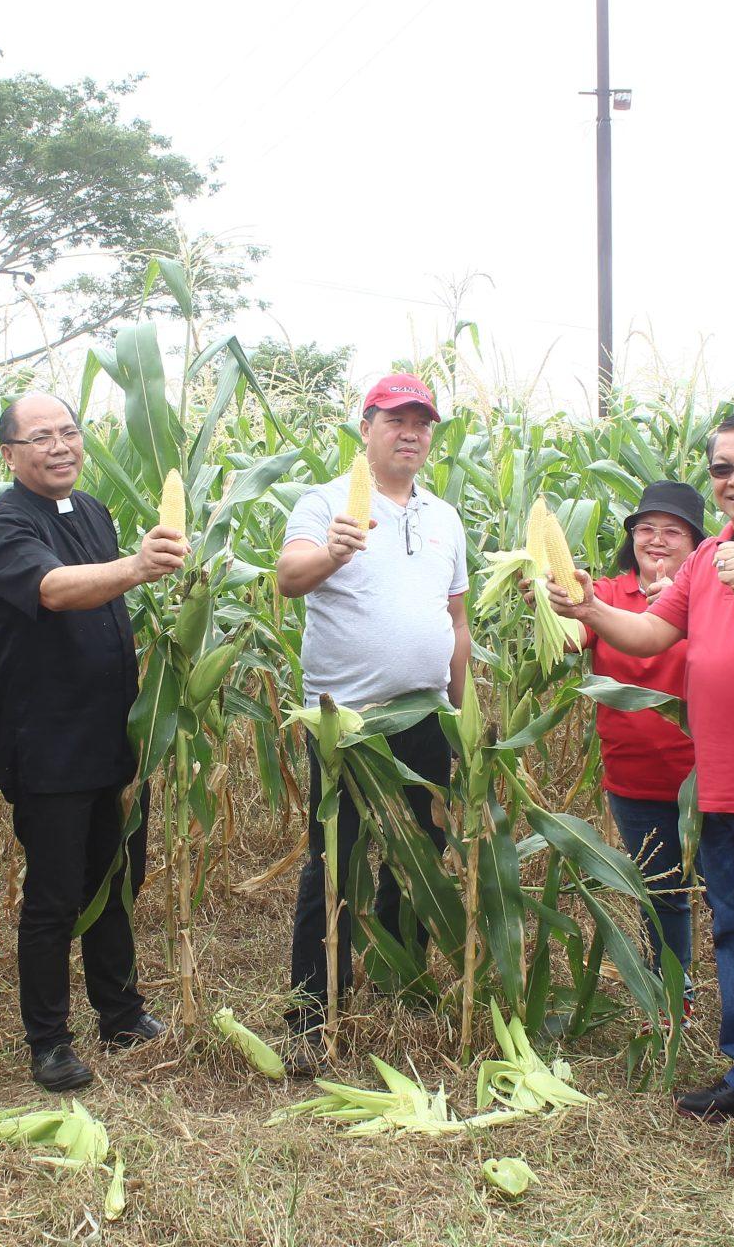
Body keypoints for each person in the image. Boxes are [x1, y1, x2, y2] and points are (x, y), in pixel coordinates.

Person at [550, 408, 734, 1173]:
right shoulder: (708, 555)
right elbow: (652, 635)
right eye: (723, 468)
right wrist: (590, 607)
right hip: (717, 786)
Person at [0, 392, 179, 1092]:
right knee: (57, 895)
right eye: (40, 437)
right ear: (8, 454)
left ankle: (120, 1012)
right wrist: (136, 569)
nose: (60, 447)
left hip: (111, 737)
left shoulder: (90, 511)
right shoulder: (1, 527)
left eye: (69, 433)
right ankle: (50, 1041)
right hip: (49, 747)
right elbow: (55, 589)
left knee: (117, 878)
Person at [276, 373, 472, 1069]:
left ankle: (401, 981)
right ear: (367, 426)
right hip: (346, 721)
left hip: (425, 713)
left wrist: (463, 707)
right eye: (396, 420)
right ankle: (311, 1011)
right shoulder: (326, 503)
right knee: (333, 860)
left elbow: (456, 616)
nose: (410, 433)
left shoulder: (445, 516)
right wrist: (332, 551)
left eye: (422, 423)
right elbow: (287, 575)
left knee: (419, 851)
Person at [587, 480, 704, 994]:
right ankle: (673, 995)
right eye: (646, 529)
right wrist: (554, 602)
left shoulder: (719, 597)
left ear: (697, 543)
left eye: (672, 531)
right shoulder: (609, 594)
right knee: (662, 894)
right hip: (634, 778)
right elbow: (573, 637)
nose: (656, 540)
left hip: (708, 780)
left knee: (731, 895)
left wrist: (689, 608)